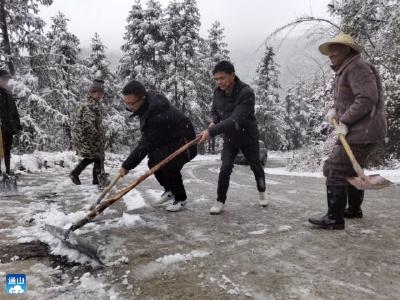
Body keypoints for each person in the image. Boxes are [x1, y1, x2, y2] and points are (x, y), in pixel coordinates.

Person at [309, 33, 387, 230]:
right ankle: (353, 209)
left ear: (347, 50)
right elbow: (348, 98)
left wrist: (344, 120)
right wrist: (335, 109)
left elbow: (367, 98)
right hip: (361, 130)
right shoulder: (346, 69)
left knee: (334, 169)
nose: (331, 54)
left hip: (363, 130)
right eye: (330, 50)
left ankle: (334, 218)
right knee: (350, 169)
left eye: (336, 49)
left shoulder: (357, 67)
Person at [198, 61, 268, 215]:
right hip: (230, 137)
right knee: (225, 167)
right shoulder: (217, 92)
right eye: (216, 79)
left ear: (232, 75)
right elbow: (215, 112)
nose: (218, 82)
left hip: (248, 137)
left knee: (256, 166)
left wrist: (211, 132)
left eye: (222, 78)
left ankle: (262, 190)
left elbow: (234, 119)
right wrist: (212, 122)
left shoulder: (246, 93)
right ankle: (220, 200)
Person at [119, 80, 197, 212]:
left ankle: (181, 199)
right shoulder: (147, 105)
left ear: (142, 98)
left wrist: (127, 165)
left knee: (169, 165)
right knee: (153, 163)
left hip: (185, 141)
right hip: (170, 139)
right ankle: (170, 190)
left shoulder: (156, 115)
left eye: (132, 103)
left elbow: (145, 144)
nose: (129, 106)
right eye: (126, 103)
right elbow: (149, 140)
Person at [70, 79, 107, 186]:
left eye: (101, 93)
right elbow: (88, 124)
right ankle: (95, 180)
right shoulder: (89, 105)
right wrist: (96, 136)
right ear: (91, 93)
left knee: (94, 157)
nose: (100, 95)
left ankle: (79, 174)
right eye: (97, 93)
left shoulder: (94, 104)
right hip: (89, 137)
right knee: (97, 157)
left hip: (91, 137)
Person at [0, 69, 21, 175]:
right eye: (3, 79)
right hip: (1, 127)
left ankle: (6, 171)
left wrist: (18, 125)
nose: (5, 81)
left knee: (7, 150)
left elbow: (14, 110)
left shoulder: (8, 93)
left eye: (6, 79)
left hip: (8, 128)